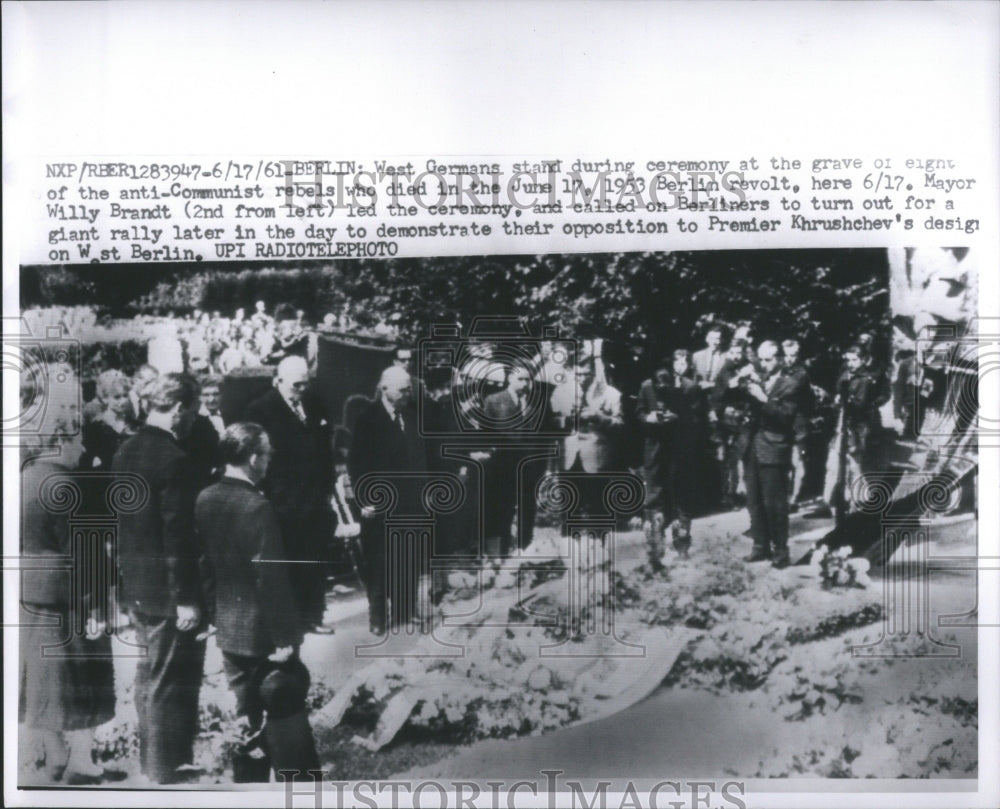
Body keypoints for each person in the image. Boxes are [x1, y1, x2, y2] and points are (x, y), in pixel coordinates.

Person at [196, 423, 319, 781]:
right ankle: (303, 789)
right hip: (264, 632)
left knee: (247, 714)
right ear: (253, 458)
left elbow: (204, 563)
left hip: (231, 628)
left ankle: (248, 786)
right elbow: (271, 579)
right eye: (267, 454)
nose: (269, 461)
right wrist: (284, 637)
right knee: (285, 713)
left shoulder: (205, 498)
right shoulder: (257, 506)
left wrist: (214, 613)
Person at [112, 373, 206, 784]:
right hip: (168, 591)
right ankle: (162, 767)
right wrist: (186, 596)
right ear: (180, 407)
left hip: (136, 587)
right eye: (194, 410)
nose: (192, 420)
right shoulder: (175, 459)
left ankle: (157, 760)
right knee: (168, 679)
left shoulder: (125, 451)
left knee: (148, 675)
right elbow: (176, 536)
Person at [20, 411, 116, 785]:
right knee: (81, 677)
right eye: (78, 440)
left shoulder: (23, 479)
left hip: (30, 594)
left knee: (42, 680)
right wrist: (97, 606)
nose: (85, 447)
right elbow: (84, 551)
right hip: (71, 597)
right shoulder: (66, 486)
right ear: (60, 442)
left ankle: (55, 755)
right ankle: (81, 760)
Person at [244, 356, 334, 634]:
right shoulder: (260, 410)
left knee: (315, 559)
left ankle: (313, 616)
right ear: (278, 381)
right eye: (296, 385)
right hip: (281, 501)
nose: (301, 391)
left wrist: (327, 489)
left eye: (305, 384)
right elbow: (255, 458)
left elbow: (324, 448)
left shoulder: (313, 403)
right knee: (287, 562)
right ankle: (289, 622)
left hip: (315, 498)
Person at [348, 366, 427, 633]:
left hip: (411, 503)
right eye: (402, 389)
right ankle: (378, 617)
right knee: (379, 563)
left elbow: (421, 458)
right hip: (379, 504)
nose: (407, 394)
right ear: (384, 389)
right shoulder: (367, 419)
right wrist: (365, 500)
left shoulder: (413, 416)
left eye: (408, 389)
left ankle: (406, 611)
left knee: (409, 558)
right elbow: (357, 464)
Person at [742, 341, 808, 569]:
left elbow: (785, 417)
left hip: (775, 446)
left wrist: (762, 399)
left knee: (775, 504)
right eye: (761, 358)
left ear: (780, 359)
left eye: (768, 359)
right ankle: (760, 547)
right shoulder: (755, 377)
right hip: (752, 446)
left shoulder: (790, 384)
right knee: (754, 501)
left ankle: (781, 552)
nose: (763, 363)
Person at [637, 350, 706, 565]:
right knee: (654, 496)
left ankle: (682, 547)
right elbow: (638, 412)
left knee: (682, 496)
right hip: (655, 449)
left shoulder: (690, 388)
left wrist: (679, 418)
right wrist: (648, 417)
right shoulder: (647, 386)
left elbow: (700, 421)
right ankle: (655, 549)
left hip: (680, 450)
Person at [482, 363, 550, 558]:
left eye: (528, 379)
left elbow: (543, 436)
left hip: (530, 466)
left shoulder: (535, 403)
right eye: (520, 379)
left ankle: (525, 549)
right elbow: (486, 433)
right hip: (504, 466)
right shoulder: (494, 400)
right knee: (504, 507)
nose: (525, 383)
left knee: (527, 507)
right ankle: (501, 553)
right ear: (509, 378)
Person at [559, 355, 624, 519]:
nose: (580, 379)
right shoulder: (564, 391)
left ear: (595, 374)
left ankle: (598, 540)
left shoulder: (612, 394)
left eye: (585, 374)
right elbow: (552, 419)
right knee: (569, 506)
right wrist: (567, 418)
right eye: (577, 375)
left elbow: (620, 424)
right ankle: (569, 540)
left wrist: (598, 416)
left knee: (598, 505)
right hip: (570, 455)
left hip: (596, 456)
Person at [711, 339, 753, 509]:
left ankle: (740, 494)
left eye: (739, 353)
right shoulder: (725, 369)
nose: (736, 356)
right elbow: (726, 388)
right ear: (729, 353)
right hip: (725, 420)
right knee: (728, 460)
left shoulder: (748, 366)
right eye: (733, 353)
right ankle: (727, 495)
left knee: (741, 458)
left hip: (744, 418)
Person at [81, 369, 136, 470]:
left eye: (125, 395)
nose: (123, 400)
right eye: (117, 397)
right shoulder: (95, 429)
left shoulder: (132, 423)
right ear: (105, 398)